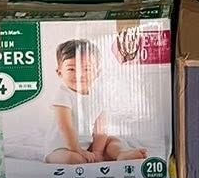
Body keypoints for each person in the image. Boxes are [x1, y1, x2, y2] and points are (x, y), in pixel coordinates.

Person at [45, 36, 145, 165]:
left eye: (87, 69)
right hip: (62, 147)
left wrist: (97, 152)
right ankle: (67, 157)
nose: (79, 75)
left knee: (113, 140)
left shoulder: (97, 96)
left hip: (87, 145)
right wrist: (78, 150)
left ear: (97, 73)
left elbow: (100, 129)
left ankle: (120, 154)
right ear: (59, 72)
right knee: (72, 159)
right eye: (71, 69)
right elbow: (65, 127)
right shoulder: (63, 95)